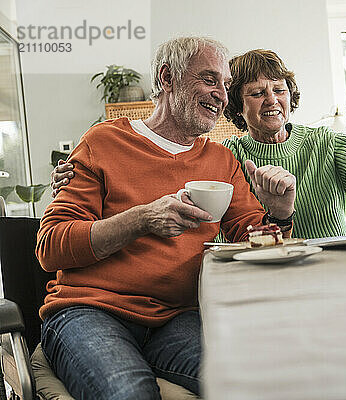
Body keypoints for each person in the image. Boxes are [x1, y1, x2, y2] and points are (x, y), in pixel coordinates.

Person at [36, 37, 296, 400]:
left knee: (257, 384)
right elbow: (51, 246)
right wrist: (141, 219)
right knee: (130, 393)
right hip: (89, 310)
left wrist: (279, 213)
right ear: (167, 77)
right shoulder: (103, 142)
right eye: (209, 79)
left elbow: (252, 237)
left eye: (225, 84)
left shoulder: (222, 161)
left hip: (177, 317)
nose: (222, 95)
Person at [52, 49, 346, 239]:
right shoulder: (226, 158)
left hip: (332, 275)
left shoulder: (324, 142)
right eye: (257, 92)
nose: (272, 100)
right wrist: (84, 175)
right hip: (265, 285)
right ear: (236, 105)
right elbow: (157, 185)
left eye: (279, 90)